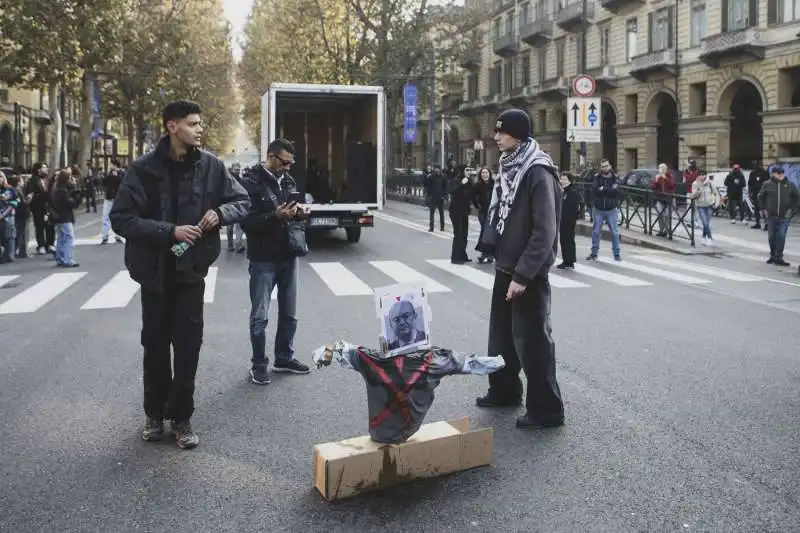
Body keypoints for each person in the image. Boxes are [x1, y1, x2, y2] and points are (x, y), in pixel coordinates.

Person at [110, 100, 250, 449]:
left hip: (191, 274)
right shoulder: (142, 169)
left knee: (188, 348)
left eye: (200, 123)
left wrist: (220, 212)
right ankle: (154, 416)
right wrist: (168, 231)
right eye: (192, 123)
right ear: (172, 127)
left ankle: (182, 418)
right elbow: (121, 218)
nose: (199, 129)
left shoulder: (212, 167)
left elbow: (243, 200)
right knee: (154, 347)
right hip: (154, 275)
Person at [476, 108, 565, 429]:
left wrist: (524, 274)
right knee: (500, 337)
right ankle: (504, 390)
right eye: (496, 131)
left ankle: (546, 410)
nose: (496, 137)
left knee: (533, 342)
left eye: (503, 132)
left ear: (519, 135)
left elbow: (545, 231)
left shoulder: (537, 172)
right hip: (506, 265)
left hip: (527, 272)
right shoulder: (509, 167)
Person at [240, 138, 311, 386]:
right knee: (260, 316)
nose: (288, 168)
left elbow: (294, 213)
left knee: (290, 314)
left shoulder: (288, 181)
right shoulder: (250, 182)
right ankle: (259, 365)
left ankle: (284, 358)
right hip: (263, 259)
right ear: (271, 156)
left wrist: (300, 213)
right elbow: (246, 222)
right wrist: (275, 216)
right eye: (284, 162)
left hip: (289, 255)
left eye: (291, 163)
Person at [757, 166, 799, 267]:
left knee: (781, 235)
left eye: (782, 173)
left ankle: (779, 256)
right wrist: (763, 209)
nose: (781, 175)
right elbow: (760, 197)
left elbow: (797, 197)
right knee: (772, 237)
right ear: (773, 174)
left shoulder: (789, 185)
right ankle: (772, 255)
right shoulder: (767, 184)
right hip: (771, 215)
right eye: (778, 173)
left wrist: (792, 210)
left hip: (785, 216)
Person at [587, 158, 621, 261]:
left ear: (610, 166)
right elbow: (595, 191)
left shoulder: (615, 178)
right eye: (602, 166)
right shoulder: (597, 177)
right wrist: (607, 190)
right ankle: (594, 253)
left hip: (611, 209)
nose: (604, 168)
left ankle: (616, 254)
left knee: (615, 233)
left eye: (606, 166)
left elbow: (616, 192)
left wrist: (603, 189)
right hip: (598, 208)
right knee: (596, 231)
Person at [51, 169, 80, 267]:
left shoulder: (56, 189)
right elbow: (71, 204)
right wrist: (78, 198)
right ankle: (68, 259)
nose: (72, 180)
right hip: (65, 217)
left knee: (61, 238)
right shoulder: (62, 191)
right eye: (70, 178)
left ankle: (60, 258)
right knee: (68, 238)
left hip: (58, 217)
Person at [447, 161, 472, 264]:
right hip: (455, 210)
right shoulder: (457, 180)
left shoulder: (469, 181)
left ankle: (462, 255)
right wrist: (462, 183)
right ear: (462, 171)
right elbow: (453, 192)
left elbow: (471, 194)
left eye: (470, 170)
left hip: (464, 210)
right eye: (467, 170)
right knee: (458, 233)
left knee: (465, 234)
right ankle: (455, 257)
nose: (469, 172)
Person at [557, 171, 580, 269]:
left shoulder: (572, 191)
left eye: (564, 179)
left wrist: (570, 219)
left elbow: (573, 207)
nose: (562, 181)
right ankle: (566, 260)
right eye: (561, 179)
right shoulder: (563, 191)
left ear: (569, 180)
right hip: (562, 219)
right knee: (563, 240)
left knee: (568, 240)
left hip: (569, 220)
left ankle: (570, 260)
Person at [690, 172, 719, 246]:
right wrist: (700, 187)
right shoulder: (695, 183)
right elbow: (693, 195)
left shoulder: (710, 183)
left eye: (703, 175)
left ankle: (703, 237)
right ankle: (709, 238)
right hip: (700, 206)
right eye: (700, 175)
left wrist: (716, 203)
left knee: (707, 223)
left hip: (709, 205)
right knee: (705, 222)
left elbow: (716, 193)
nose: (701, 177)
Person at [473, 166, 494, 264]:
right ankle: (484, 254)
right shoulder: (478, 186)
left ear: (489, 174)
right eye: (483, 173)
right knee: (484, 232)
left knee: (490, 233)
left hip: (493, 212)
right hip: (483, 212)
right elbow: (473, 197)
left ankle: (488, 254)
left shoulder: (494, 185)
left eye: (486, 173)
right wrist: (477, 206)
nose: (485, 175)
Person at [424, 165, 447, 232]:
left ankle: (442, 227)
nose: (437, 170)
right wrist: (427, 178)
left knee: (441, 213)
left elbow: (445, 187)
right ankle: (431, 227)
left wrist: (445, 197)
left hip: (441, 198)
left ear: (440, 170)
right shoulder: (431, 176)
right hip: (433, 197)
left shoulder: (443, 177)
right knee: (432, 213)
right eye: (436, 169)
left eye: (438, 169)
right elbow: (427, 185)